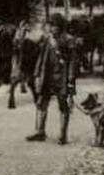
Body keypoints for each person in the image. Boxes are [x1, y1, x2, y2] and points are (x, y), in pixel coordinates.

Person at [26, 11, 78, 145]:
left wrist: (71, 78)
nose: (52, 27)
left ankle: (63, 135)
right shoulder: (47, 39)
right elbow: (41, 58)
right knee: (41, 103)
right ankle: (40, 132)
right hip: (47, 76)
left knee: (63, 105)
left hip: (62, 77)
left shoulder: (68, 40)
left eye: (55, 25)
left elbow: (72, 61)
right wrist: (37, 74)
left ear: (60, 26)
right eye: (51, 25)